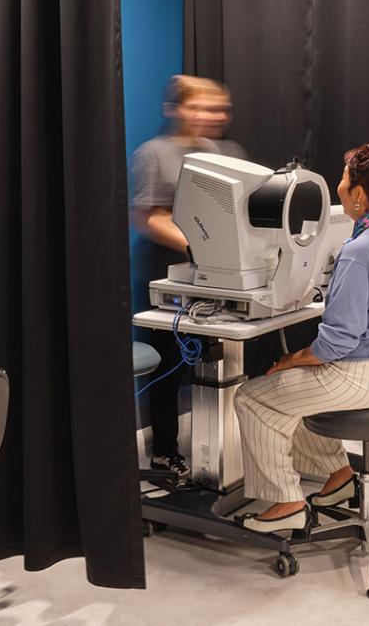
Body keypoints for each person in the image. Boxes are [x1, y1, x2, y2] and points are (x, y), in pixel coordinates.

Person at [231, 142, 369, 533]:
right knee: (294, 394)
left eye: (343, 180)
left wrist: (296, 358)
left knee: (254, 397)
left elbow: (337, 342)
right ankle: (338, 476)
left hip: (362, 378)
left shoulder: (359, 252)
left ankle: (286, 501)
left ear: (359, 195)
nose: (339, 187)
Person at [130, 75, 246, 479]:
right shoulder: (154, 154)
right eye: (201, 107)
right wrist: (198, 246)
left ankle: (222, 448)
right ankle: (164, 451)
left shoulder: (219, 153)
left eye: (218, 109)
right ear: (175, 110)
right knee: (167, 365)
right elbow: (147, 216)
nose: (212, 116)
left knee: (213, 358)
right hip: (165, 270)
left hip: (211, 272)